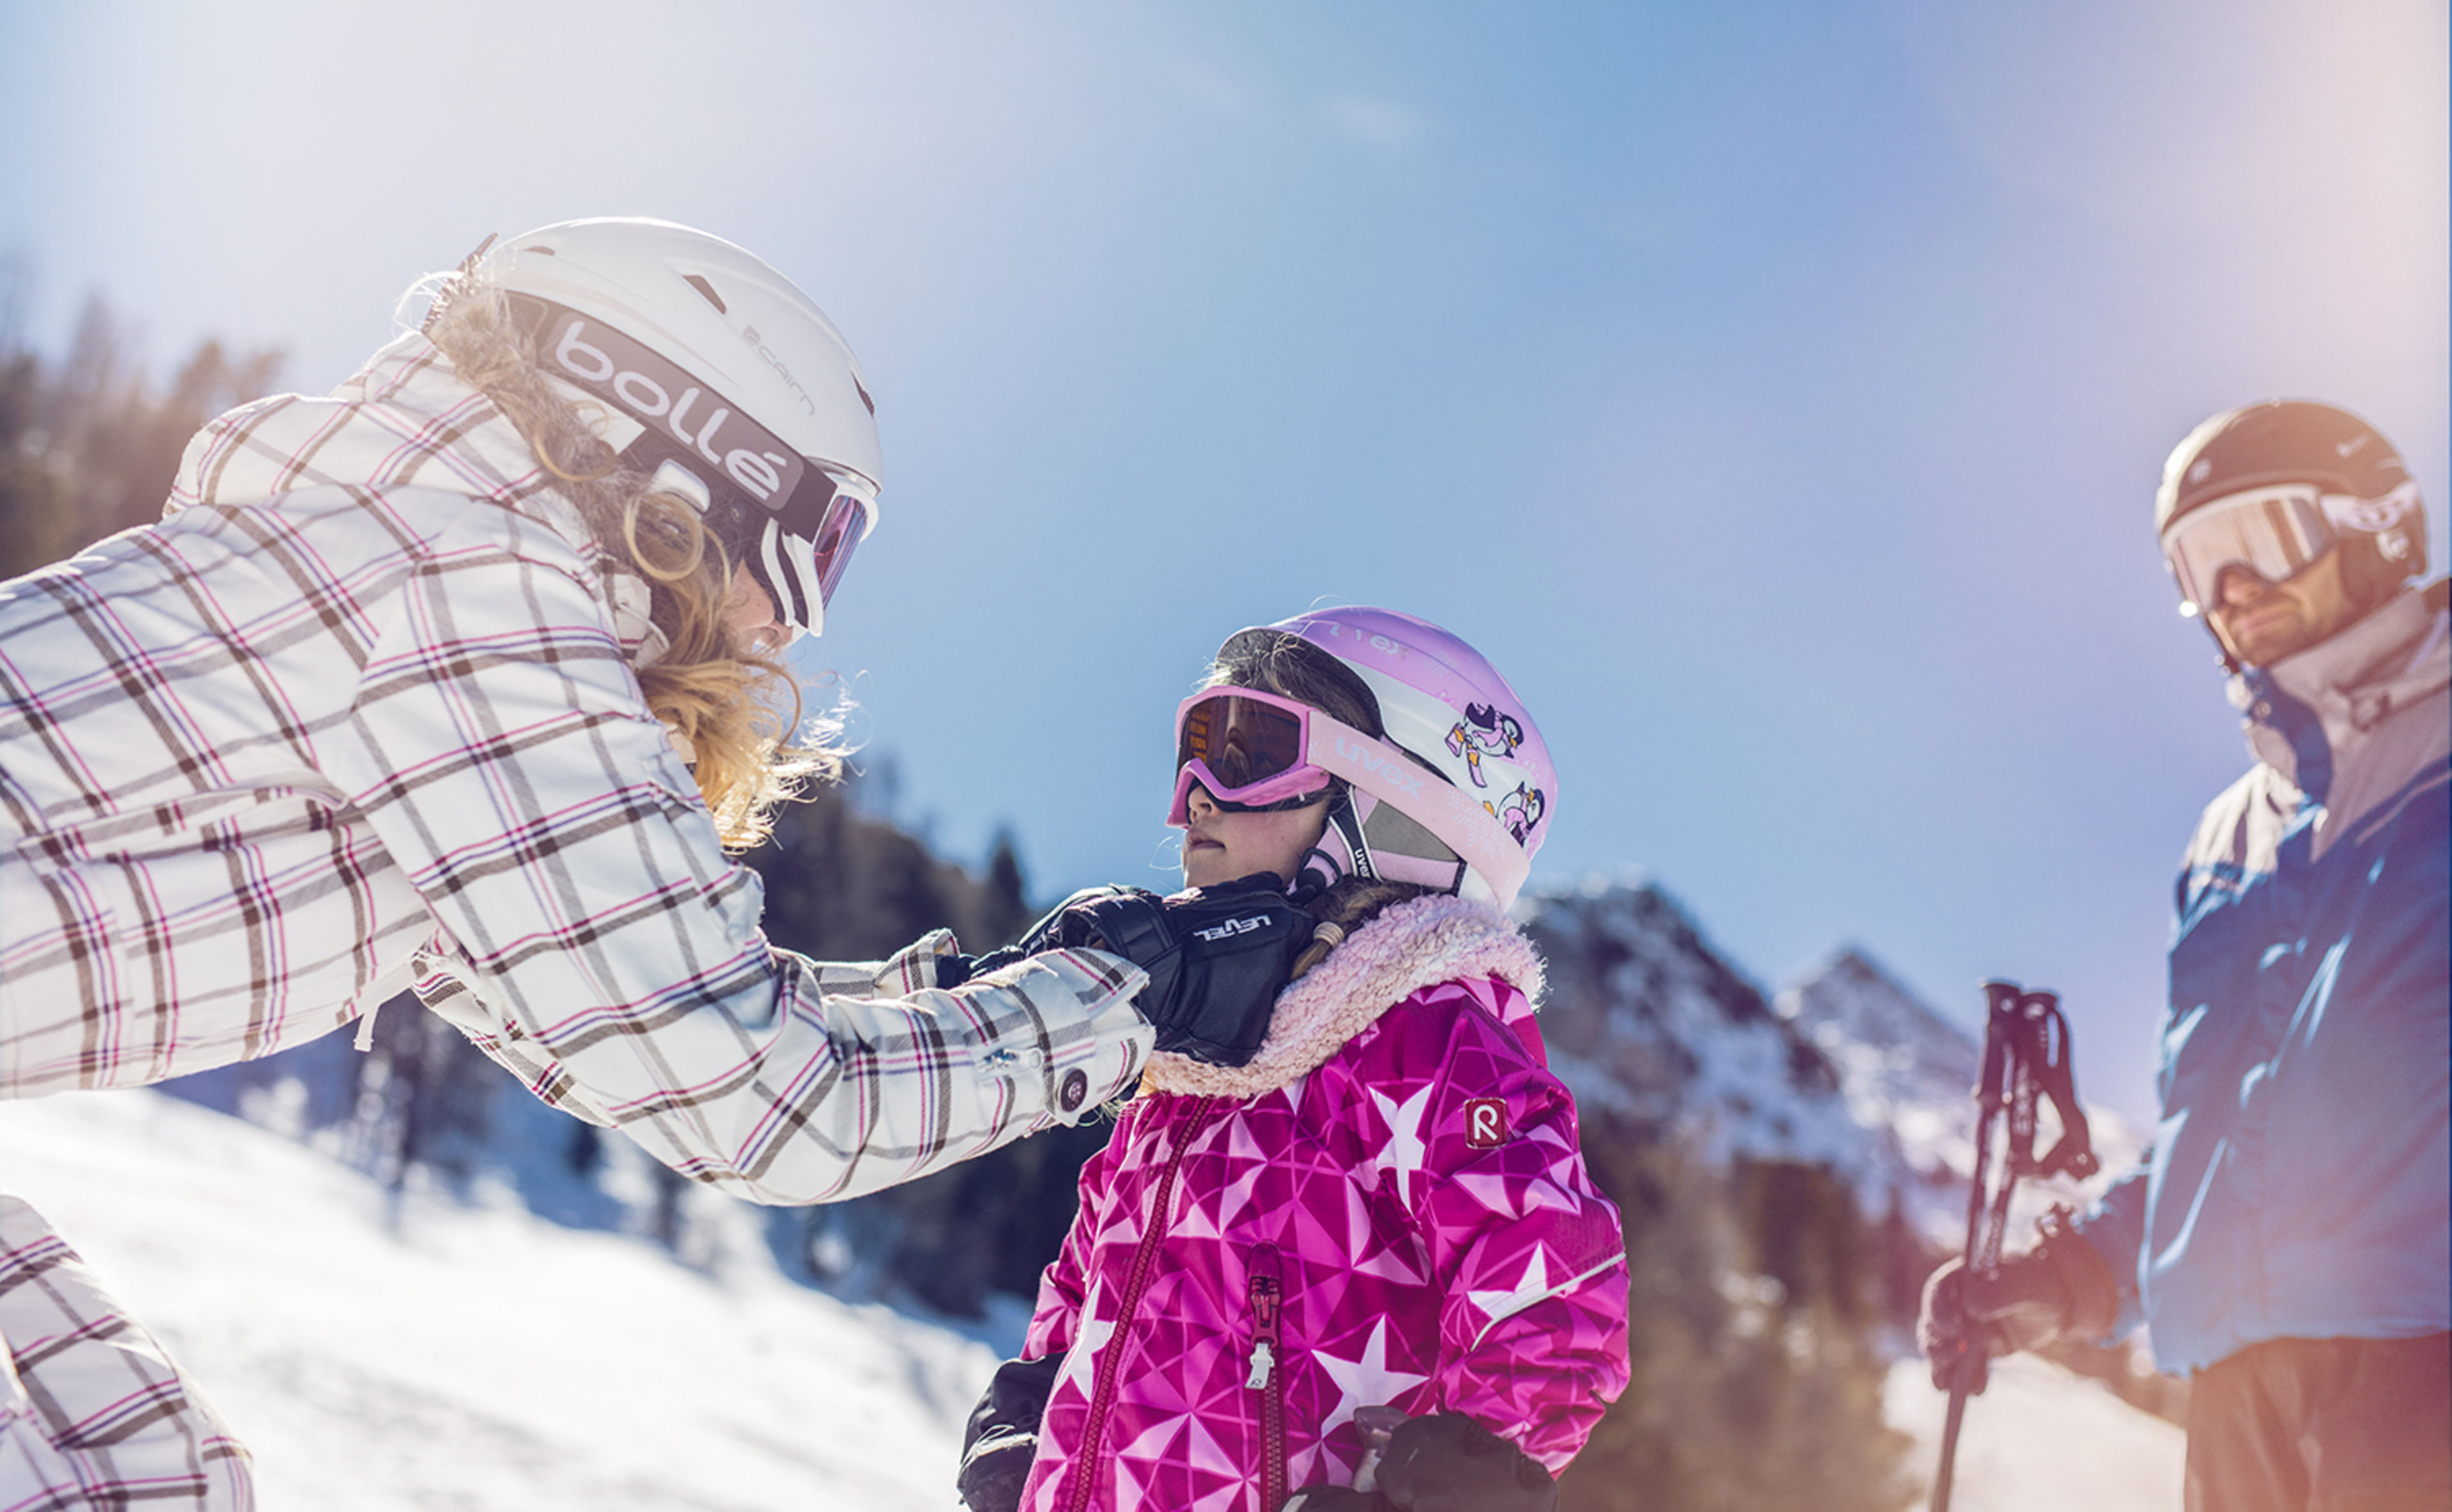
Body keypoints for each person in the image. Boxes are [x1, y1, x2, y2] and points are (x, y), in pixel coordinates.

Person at [0, 218, 1303, 1509]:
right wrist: (1132, 1000)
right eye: (815, 545)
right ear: (685, 458)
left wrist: (987, 988)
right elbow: (762, 1093)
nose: (790, 621)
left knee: (144, 1472)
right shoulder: (473, 594)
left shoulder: (397, 567)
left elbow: (646, 1008)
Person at [953, 607, 1631, 1512]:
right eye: (1194, 750)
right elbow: (1092, 1269)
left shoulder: (1421, 1038)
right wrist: (1030, 1408)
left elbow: (1555, 1289)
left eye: (1250, 751)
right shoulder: (1197, 1059)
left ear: (1396, 808)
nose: (1193, 796)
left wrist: (1451, 1489)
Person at [1919, 400, 2450, 1510]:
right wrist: (2071, 1277)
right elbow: (2220, 1139)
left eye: (2262, 541)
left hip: (2422, 1366)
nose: (2235, 589)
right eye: (2201, 567)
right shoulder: (2229, 838)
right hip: (2236, 1391)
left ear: (2378, 525)